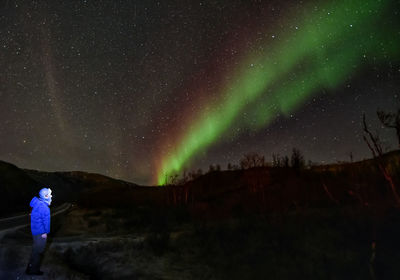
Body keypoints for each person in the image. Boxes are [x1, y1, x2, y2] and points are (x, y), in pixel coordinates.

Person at [26, 187, 52, 276]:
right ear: (46, 196)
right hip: (40, 233)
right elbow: (46, 222)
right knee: (39, 251)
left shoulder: (37, 204)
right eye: (49, 194)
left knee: (35, 250)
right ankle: (34, 271)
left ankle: (29, 267)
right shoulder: (45, 208)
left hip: (35, 231)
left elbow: (32, 215)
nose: (51, 196)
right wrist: (45, 232)